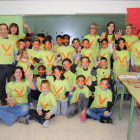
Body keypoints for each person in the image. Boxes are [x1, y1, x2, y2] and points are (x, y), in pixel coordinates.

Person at [0, 23, 18, 105]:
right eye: (1, 29)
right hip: (1, 67)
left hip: (11, 66)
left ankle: (12, 101)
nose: (3, 31)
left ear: (8, 30)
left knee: (12, 84)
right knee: (1, 85)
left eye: (5, 29)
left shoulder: (12, 41)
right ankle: (3, 101)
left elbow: (16, 54)